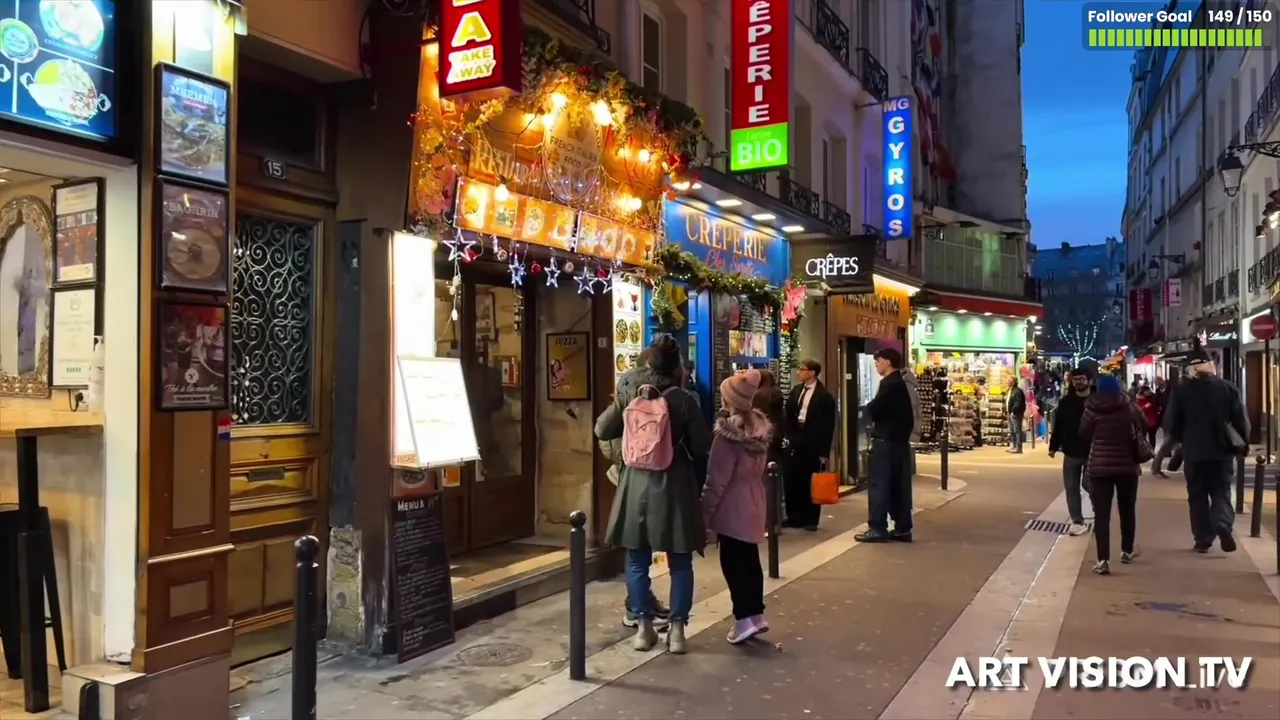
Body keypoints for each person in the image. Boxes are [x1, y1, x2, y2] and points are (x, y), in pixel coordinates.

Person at [595, 335, 711, 653]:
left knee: (636, 560)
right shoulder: (683, 399)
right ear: (677, 366)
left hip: (635, 484)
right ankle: (677, 632)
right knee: (681, 562)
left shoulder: (630, 390)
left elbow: (602, 429)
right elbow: (702, 445)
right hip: (675, 483)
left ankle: (644, 629)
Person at [598, 349, 672, 631]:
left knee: (636, 549)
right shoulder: (674, 395)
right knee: (652, 549)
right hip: (659, 479)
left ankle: (639, 608)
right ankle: (640, 606)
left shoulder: (626, 394)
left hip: (630, 477)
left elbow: (601, 430)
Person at [702, 370, 772, 644]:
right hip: (755, 501)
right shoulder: (759, 428)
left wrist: (704, 514)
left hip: (732, 506)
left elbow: (716, 480)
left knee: (733, 563)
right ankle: (756, 614)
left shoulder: (727, 435)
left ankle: (743, 619)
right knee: (750, 561)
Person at [1164, 349, 1249, 554]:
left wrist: (1179, 442)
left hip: (1194, 452)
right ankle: (1222, 522)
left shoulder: (1182, 391)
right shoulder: (1228, 388)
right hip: (1222, 451)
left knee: (1197, 495)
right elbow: (1241, 420)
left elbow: (1172, 424)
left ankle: (1203, 539)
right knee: (1221, 491)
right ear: (1211, 365)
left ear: (1190, 368)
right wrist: (1243, 443)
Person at [1079, 375, 1146, 575]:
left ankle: (1103, 560)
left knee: (1101, 514)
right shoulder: (1128, 405)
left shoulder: (1092, 408)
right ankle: (1127, 550)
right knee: (1127, 509)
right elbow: (1145, 424)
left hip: (1100, 467)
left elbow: (1083, 432)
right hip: (1127, 466)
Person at [855, 348, 915, 543]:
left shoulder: (890, 384)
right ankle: (902, 527)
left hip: (886, 441)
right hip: (899, 442)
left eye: (878, 361)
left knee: (879, 484)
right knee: (898, 485)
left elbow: (876, 408)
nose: (876, 365)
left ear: (888, 362)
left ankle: (878, 527)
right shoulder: (901, 382)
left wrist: (865, 411)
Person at [783, 358, 837, 531]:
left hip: (812, 441)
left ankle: (811, 518)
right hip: (795, 438)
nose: (798, 372)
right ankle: (794, 516)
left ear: (812, 373)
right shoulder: (796, 390)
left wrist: (824, 452)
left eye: (802, 369)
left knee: (810, 480)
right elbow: (788, 413)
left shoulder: (824, 397)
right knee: (792, 478)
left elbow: (828, 426)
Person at [1047, 367, 1093, 536]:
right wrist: (1053, 446)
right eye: (1075, 380)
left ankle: (1099, 513)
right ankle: (1077, 520)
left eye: (1081, 379)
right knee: (1071, 487)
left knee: (1090, 485)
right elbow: (1059, 425)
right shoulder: (1066, 402)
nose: (1078, 382)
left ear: (1089, 381)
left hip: (1093, 451)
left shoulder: (1097, 400)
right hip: (1071, 450)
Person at [1004, 376, 1027, 453]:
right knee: (1012, 431)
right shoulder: (1009, 391)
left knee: (1017, 430)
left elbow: (1018, 403)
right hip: (1009, 413)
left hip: (1015, 414)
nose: (1007, 382)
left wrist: (1014, 411)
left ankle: (1018, 447)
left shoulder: (1017, 391)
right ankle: (1014, 445)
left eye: (1008, 381)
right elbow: (1007, 401)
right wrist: (1005, 410)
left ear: (1013, 382)